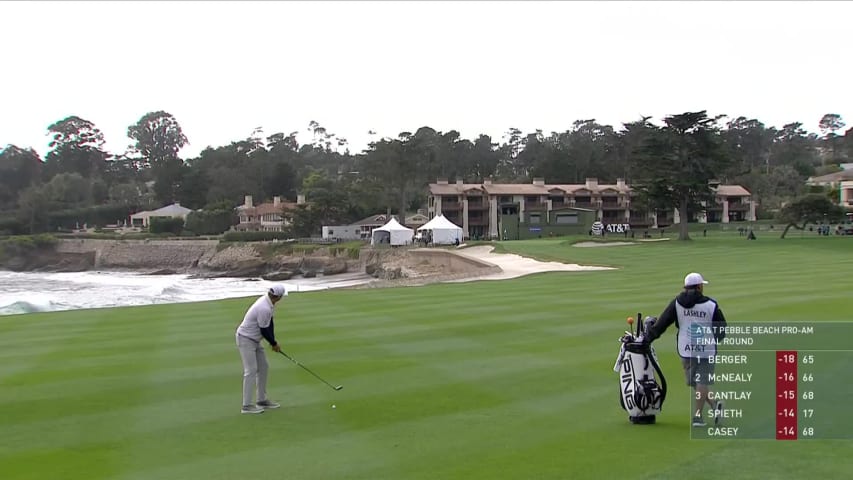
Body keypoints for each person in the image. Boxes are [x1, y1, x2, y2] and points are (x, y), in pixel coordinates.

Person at [645, 272, 728, 427]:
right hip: (706, 349)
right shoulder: (711, 305)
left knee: (697, 381)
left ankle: (698, 417)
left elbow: (662, 323)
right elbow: (722, 328)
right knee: (696, 381)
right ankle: (715, 404)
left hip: (686, 348)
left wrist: (648, 338)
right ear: (698, 287)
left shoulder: (676, 303)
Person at [235, 284, 287, 414]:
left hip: (254, 340)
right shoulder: (264, 307)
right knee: (250, 370)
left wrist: (273, 341)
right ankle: (246, 406)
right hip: (245, 339)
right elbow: (264, 330)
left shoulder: (268, 303)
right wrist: (273, 343)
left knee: (263, 367)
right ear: (279, 297)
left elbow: (270, 323)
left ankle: (261, 400)